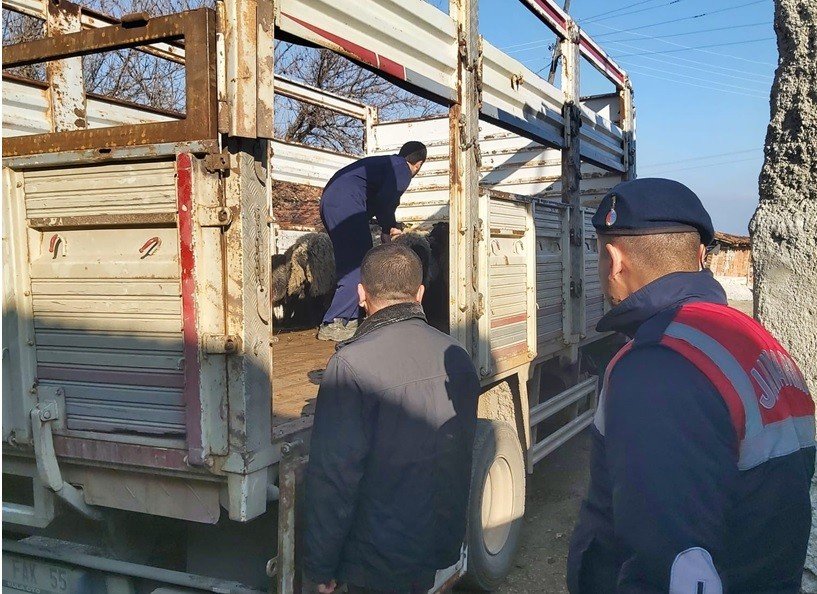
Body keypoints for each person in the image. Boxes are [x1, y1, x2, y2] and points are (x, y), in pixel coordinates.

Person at [567, 178, 815, 594]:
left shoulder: (658, 363)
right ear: (700, 256)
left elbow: (668, 563)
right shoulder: (749, 337)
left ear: (612, 260)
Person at [304, 243, 480, 594]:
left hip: (374, 565)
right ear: (420, 293)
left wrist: (321, 565)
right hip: (430, 549)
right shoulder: (457, 357)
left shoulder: (351, 365)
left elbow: (334, 479)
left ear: (360, 294)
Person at [317, 141, 427, 341]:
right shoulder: (402, 169)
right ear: (418, 164)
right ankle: (335, 321)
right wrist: (390, 227)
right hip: (346, 203)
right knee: (360, 264)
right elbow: (387, 200)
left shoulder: (385, 164)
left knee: (350, 262)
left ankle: (346, 318)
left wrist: (385, 227)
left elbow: (378, 201)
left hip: (332, 201)